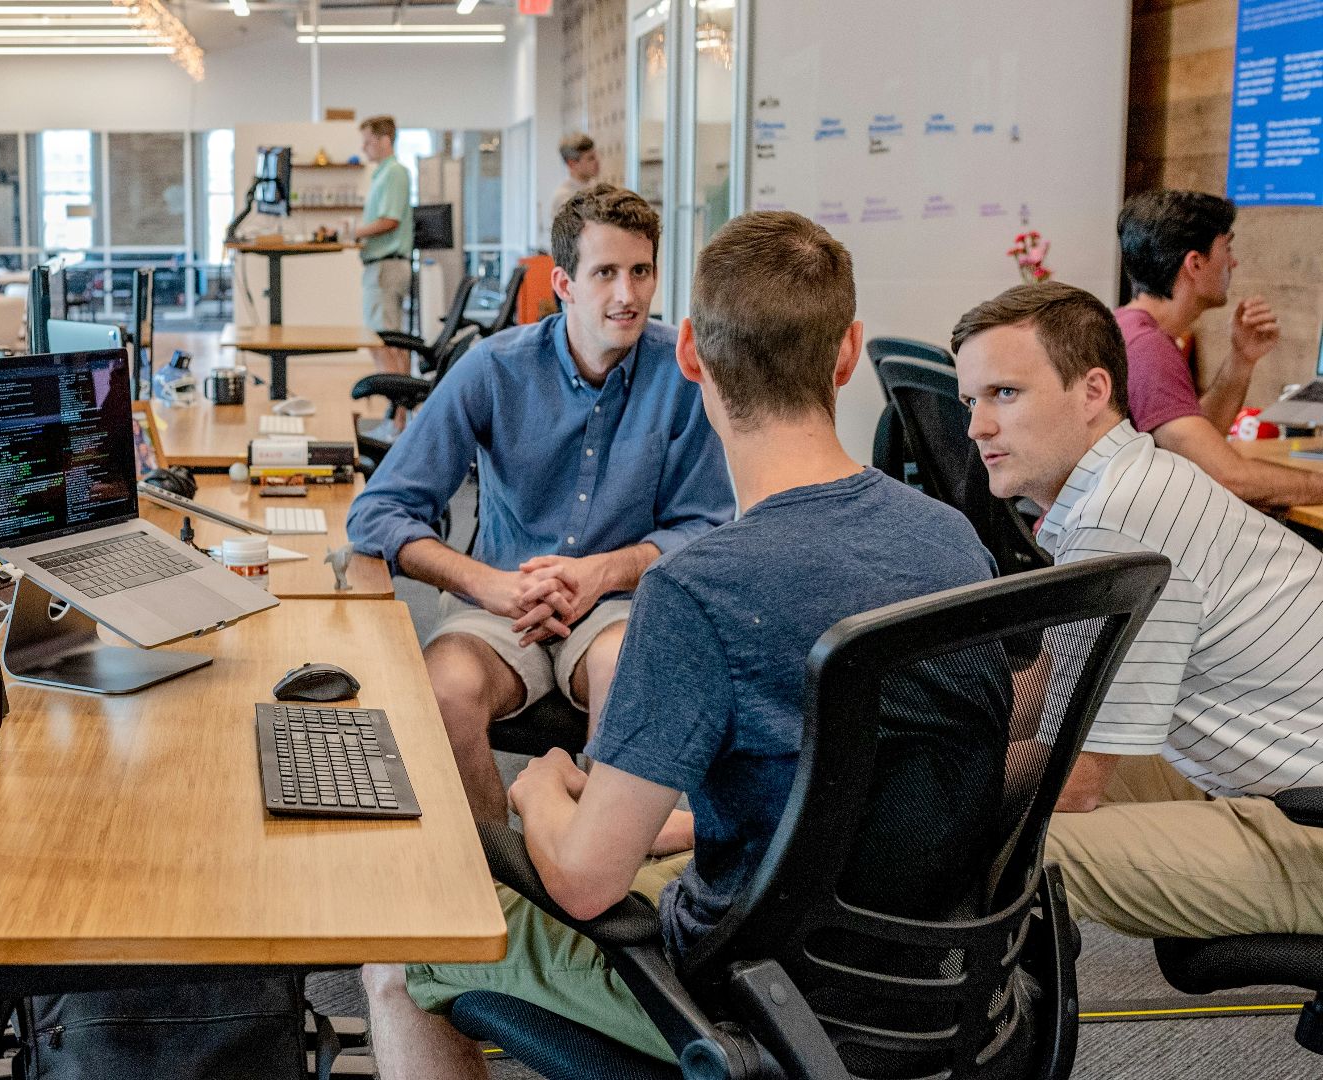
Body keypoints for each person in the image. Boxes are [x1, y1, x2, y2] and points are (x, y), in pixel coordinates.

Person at [362, 210, 1002, 1077]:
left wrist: (546, 791)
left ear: (691, 351)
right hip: (937, 978)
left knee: (396, 951)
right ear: (849, 353)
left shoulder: (697, 592)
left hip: (746, 992)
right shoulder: (954, 542)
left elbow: (587, 883)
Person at [346, 185, 733, 824]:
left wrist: (602, 573)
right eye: (605, 273)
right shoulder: (494, 369)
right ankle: (501, 873)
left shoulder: (684, 373)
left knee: (628, 674)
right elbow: (378, 512)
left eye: (641, 272)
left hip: (618, 605)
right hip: (502, 603)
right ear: (564, 282)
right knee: (443, 691)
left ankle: (592, 870)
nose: (627, 295)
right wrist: (486, 584)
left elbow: (709, 527)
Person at [953, 280, 1323, 940]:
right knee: (960, 780)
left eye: (1004, 394)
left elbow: (1075, 783)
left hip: (1306, 829)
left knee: (1014, 843)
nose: (977, 426)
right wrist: (909, 740)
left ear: (1093, 392)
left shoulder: (1121, 519)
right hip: (1269, 785)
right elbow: (1052, 688)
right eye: (971, 400)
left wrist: (885, 793)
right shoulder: (1123, 487)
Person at [1114, 190, 1323, 507]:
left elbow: (1196, 445)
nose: (1233, 261)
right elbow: (1228, 476)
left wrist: (1242, 359)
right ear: (1195, 264)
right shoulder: (1146, 348)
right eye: (1227, 248)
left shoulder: (1132, 329)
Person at [355, 115, 415, 377]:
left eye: (368, 142)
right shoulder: (382, 174)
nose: (363, 148)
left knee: (385, 343)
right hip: (382, 266)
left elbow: (390, 220)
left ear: (385, 140)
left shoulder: (394, 172)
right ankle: (399, 412)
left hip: (386, 267)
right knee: (389, 342)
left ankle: (397, 412)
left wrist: (355, 232)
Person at [550, 132, 603, 218]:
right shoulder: (563, 198)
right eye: (591, 158)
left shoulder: (597, 187)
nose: (597, 161)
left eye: (596, 156)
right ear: (572, 164)